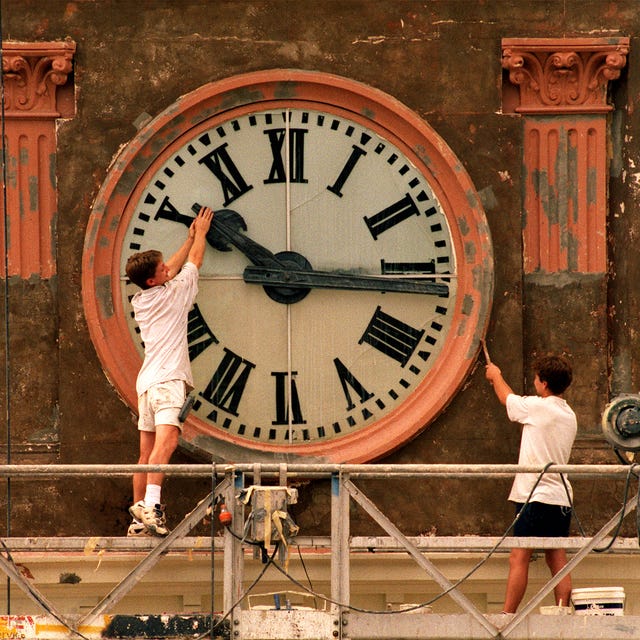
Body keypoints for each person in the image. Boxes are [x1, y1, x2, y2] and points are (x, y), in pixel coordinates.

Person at [124, 205, 214, 537]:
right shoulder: (174, 294)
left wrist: (186, 238)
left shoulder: (141, 299)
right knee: (169, 440)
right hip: (167, 381)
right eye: (161, 269)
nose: (167, 269)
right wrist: (200, 235)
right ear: (154, 279)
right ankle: (152, 506)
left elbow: (172, 267)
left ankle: (137, 519)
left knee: (145, 453)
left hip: (147, 384)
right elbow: (194, 264)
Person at [485, 355, 577, 613]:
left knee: (519, 556)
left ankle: (507, 614)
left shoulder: (539, 407)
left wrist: (495, 375)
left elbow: (507, 399)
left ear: (544, 384)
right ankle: (562, 612)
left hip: (534, 496)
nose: (535, 382)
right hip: (560, 498)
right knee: (557, 558)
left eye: (537, 378)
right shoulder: (569, 414)